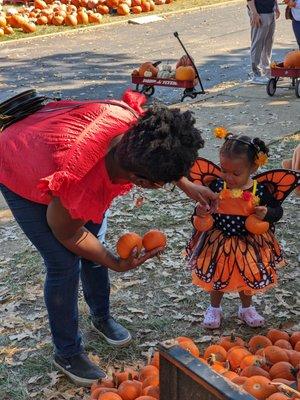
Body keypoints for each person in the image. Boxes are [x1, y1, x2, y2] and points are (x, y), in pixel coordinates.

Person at [0, 89, 218, 386]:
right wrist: (116, 263)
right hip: (15, 155)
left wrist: (188, 185)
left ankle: (100, 316)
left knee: (95, 237)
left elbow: (157, 149)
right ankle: (67, 352)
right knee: (64, 261)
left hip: (54, 146)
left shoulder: (135, 129)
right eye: (163, 183)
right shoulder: (85, 182)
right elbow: (69, 233)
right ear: (142, 181)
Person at [186, 129, 299, 329]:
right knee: (217, 274)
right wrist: (200, 212)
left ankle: (246, 308)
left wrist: (267, 213)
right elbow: (199, 209)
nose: (228, 177)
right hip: (218, 239)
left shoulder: (260, 190)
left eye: (236, 173)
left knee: (248, 275)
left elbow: (277, 211)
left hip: (249, 242)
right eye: (224, 170)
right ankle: (214, 308)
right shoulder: (217, 185)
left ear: (253, 168)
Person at [247, 0, 280, 84]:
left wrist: (276, 7)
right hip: (259, 13)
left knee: (268, 43)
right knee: (257, 43)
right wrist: (254, 13)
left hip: (270, 12)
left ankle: (267, 71)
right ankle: (256, 75)